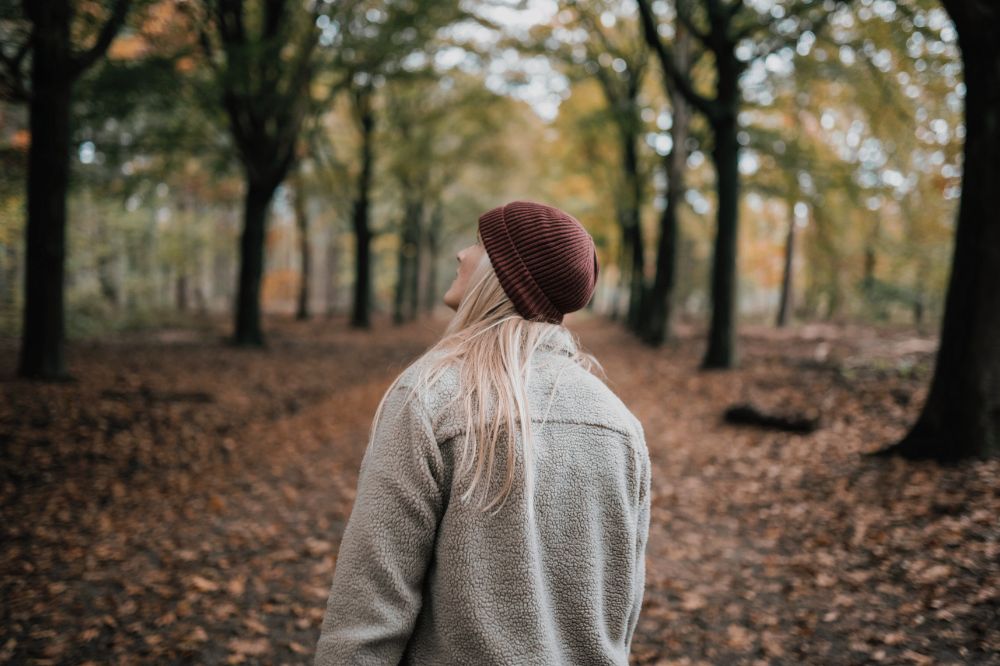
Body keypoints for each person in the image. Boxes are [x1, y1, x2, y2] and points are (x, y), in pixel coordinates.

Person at [314, 200, 651, 665]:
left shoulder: (430, 395)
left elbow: (368, 609)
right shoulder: (618, 423)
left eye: (477, 243)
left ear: (505, 273)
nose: (461, 254)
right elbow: (620, 610)